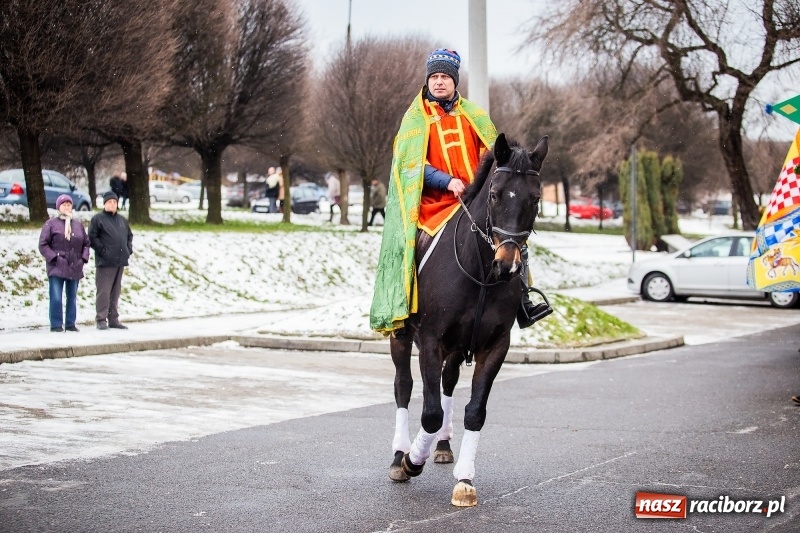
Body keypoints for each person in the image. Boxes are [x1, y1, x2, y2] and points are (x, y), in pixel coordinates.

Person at [370, 48, 543, 335]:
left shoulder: (474, 115)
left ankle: (523, 300)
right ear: (428, 80)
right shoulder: (415, 119)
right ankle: (404, 308)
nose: (439, 82)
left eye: (445, 77)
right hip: (433, 205)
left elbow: (495, 158)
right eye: (434, 77)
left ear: (454, 81)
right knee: (412, 245)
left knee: (511, 235)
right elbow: (409, 165)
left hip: (473, 200)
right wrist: (446, 181)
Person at [38, 194, 91, 332]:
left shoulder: (78, 225)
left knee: (72, 297)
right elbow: (43, 244)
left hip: (75, 265)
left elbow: (86, 243)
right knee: (56, 296)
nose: (67, 207)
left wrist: (82, 259)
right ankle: (56, 324)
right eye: (64, 205)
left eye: (69, 205)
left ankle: (70, 323)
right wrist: (54, 258)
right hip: (57, 265)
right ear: (58, 207)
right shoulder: (51, 224)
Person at [89, 191, 133, 330]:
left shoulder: (122, 220)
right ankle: (101, 319)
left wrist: (128, 250)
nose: (112, 204)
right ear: (104, 204)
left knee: (115, 292)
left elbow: (129, 235)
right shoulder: (98, 219)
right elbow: (92, 237)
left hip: (120, 260)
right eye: (109, 202)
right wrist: (103, 251)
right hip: (105, 262)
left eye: (114, 202)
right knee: (104, 291)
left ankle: (113, 318)